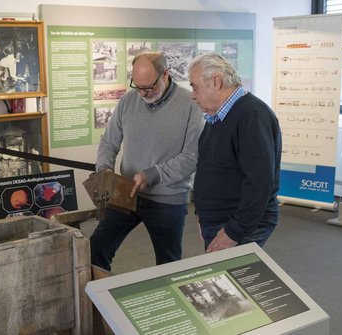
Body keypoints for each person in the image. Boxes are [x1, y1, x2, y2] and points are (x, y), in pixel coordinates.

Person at [90, 51, 204, 271]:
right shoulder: (128, 100)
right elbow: (109, 141)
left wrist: (152, 174)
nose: (142, 94)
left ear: (165, 75)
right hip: (126, 193)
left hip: (167, 198)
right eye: (137, 86)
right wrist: (104, 168)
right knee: (96, 250)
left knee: (167, 266)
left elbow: (192, 157)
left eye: (149, 87)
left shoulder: (190, 104)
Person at [188, 53, 282, 253]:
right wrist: (202, 213)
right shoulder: (218, 116)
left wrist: (233, 232)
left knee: (230, 282)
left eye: (195, 87)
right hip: (220, 221)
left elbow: (259, 181)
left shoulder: (251, 115)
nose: (192, 95)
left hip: (237, 225)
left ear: (216, 81)